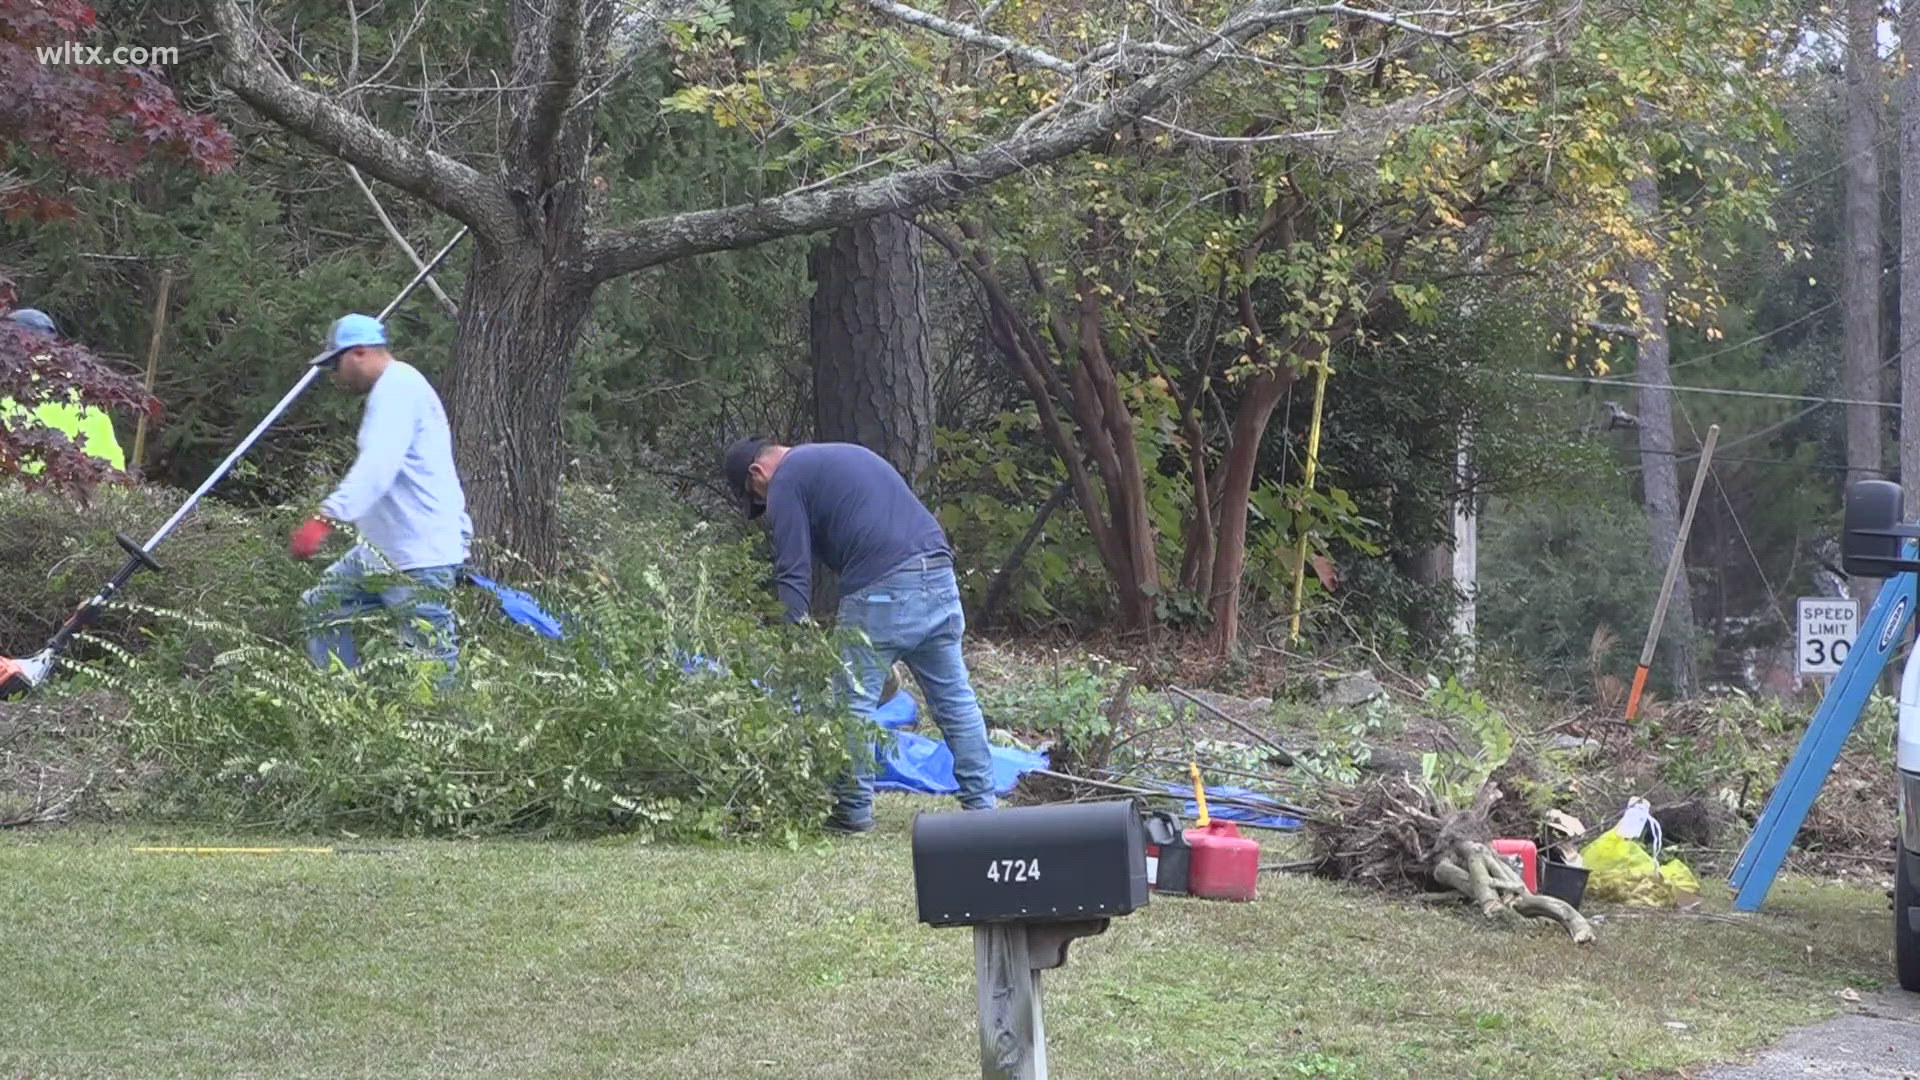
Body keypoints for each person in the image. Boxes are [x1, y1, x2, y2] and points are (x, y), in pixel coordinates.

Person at [723, 436, 994, 832]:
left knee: (850, 705)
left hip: (882, 589)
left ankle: (852, 812)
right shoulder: (838, 456)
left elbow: (792, 569)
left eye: (757, 498)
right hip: (938, 573)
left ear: (757, 473)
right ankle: (983, 807)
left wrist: (795, 642)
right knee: (955, 700)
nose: (766, 506)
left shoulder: (785, 480)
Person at [292, 313, 470, 690]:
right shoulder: (394, 389)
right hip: (379, 554)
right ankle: (346, 704)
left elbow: (377, 467)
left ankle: (446, 739)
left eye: (333, 364)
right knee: (320, 607)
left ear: (357, 353)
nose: (333, 375)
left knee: (431, 664)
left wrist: (325, 519)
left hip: (417, 558)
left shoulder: (398, 389)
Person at [1, 307, 127, 472]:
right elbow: (110, 453)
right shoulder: (79, 388)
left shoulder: (11, 384)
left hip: (25, 490)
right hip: (94, 490)